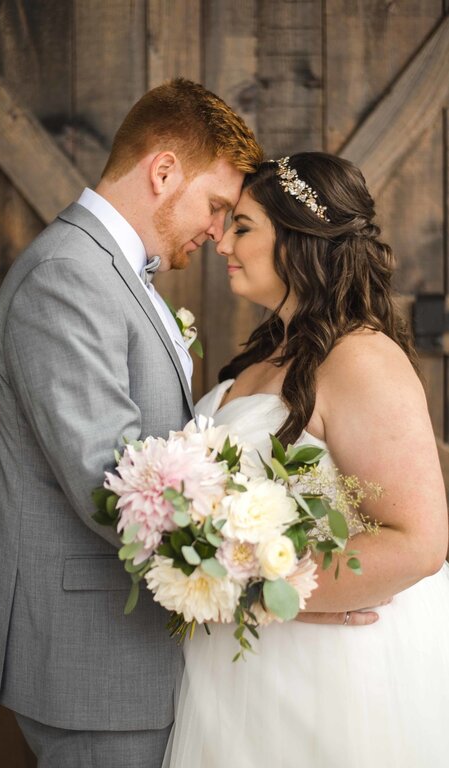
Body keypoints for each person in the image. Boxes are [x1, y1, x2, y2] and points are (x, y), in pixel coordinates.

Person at [0, 78, 263, 768]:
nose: (217, 231)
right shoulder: (68, 276)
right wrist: (268, 573)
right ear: (163, 171)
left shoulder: (111, 273)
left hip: (118, 648)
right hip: (93, 657)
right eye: (216, 205)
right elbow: (109, 481)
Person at [164, 153, 449, 768]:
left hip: (322, 676)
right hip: (235, 666)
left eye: (242, 227)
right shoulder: (267, 352)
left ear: (297, 241)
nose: (222, 243)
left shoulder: (361, 359)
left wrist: (264, 590)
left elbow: (419, 542)